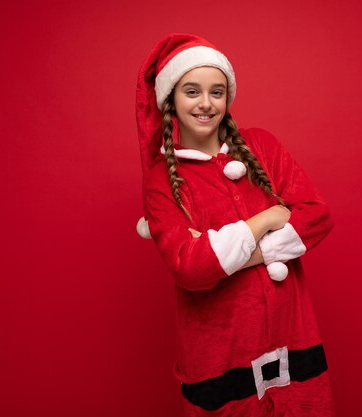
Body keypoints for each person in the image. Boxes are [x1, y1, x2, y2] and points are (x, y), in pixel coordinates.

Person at [135, 33, 335, 416]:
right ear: (171, 101)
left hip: (292, 330)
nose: (206, 103)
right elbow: (189, 269)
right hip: (220, 350)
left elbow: (317, 215)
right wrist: (266, 218)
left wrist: (222, 250)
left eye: (217, 92)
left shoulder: (263, 146)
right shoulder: (162, 179)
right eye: (192, 91)